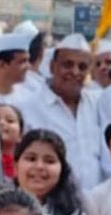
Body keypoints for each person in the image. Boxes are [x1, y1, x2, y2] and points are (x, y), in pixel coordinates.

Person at [19, 32, 103, 192]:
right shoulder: (29, 107)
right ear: (52, 66)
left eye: (82, 67)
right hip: (50, 201)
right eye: (67, 65)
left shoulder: (98, 104)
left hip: (96, 203)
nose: (75, 72)